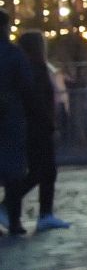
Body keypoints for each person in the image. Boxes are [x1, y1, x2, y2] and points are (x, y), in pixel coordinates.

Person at [6, 32, 67, 232]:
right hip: (38, 126)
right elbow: (39, 101)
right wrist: (50, 123)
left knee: (42, 170)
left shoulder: (27, 68)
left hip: (32, 124)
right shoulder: (37, 69)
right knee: (42, 171)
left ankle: (42, 212)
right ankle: (38, 212)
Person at [0, 15, 30, 235]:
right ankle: (14, 219)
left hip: (11, 114)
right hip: (10, 116)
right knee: (14, 172)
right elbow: (26, 84)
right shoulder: (13, 54)